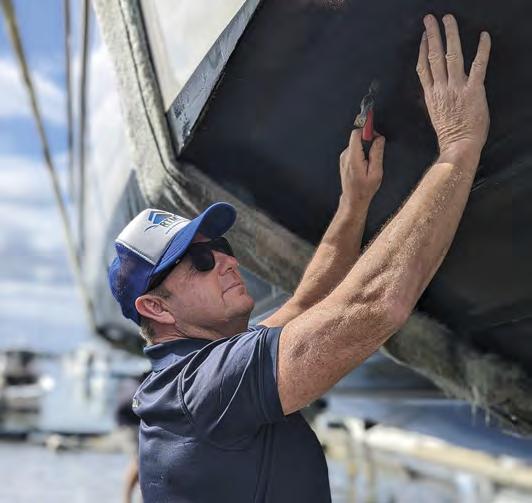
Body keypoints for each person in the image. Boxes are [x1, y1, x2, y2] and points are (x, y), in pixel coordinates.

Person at [108, 14, 491, 503]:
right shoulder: (201, 388)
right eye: (201, 262)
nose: (228, 263)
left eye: (223, 249)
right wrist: (459, 147)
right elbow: (371, 307)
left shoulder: (197, 374)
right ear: (156, 308)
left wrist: (353, 203)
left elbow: (310, 302)